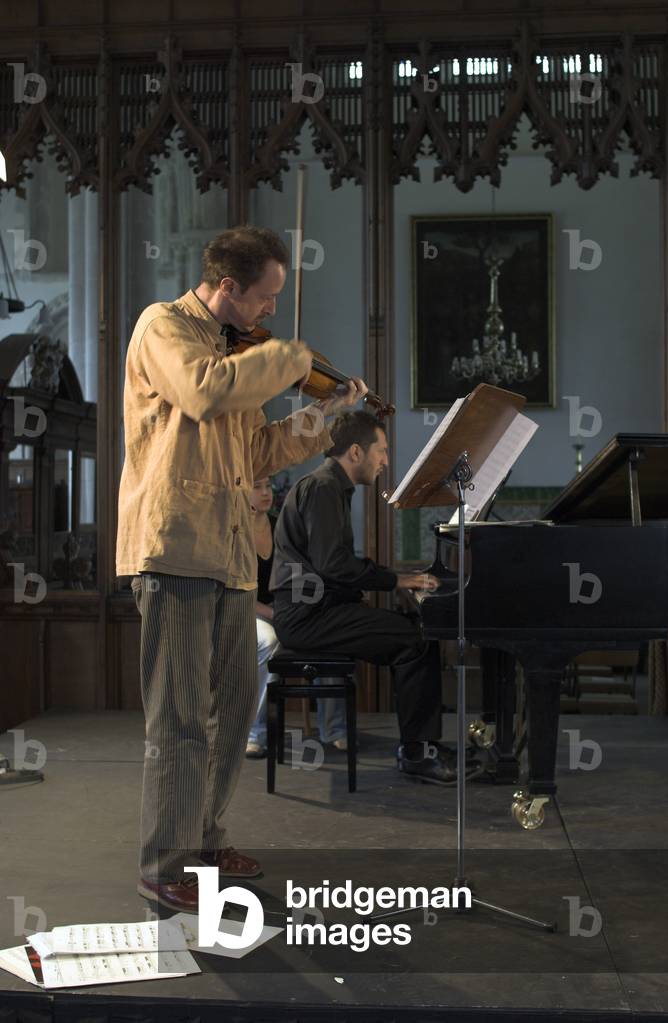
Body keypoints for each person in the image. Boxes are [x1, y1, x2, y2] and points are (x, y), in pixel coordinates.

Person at [116, 225, 367, 913]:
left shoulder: (240, 355)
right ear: (227, 286)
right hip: (173, 547)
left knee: (236, 707)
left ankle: (201, 840)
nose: (269, 315)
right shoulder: (164, 328)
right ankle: (164, 863)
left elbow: (260, 449)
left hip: (227, 553)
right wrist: (290, 359)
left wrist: (325, 411)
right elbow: (202, 393)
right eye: (263, 299)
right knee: (178, 717)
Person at [270, 410, 457, 785]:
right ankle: (418, 753)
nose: (386, 461)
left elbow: (332, 566)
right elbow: (334, 565)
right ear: (356, 452)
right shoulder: (323, 487)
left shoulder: (328, 486)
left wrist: (391, 582)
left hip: (315, 611)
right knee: (416, 640)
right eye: (382, 451)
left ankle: (423, 745)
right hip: (307, 618)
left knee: (412, 633)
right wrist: (397, 580)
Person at [246, 476, 348, 758]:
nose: (266, 493)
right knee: (269, 641)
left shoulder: (281, 525)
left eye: (268, 486)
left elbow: (303, 570)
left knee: (325, 633)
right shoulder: (231, 530)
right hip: (244, 613)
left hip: (284, 608)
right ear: (240, 489)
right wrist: (273, 613)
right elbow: (231, 592)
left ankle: (334, 729)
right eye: (258, 486)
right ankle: (256, 733)